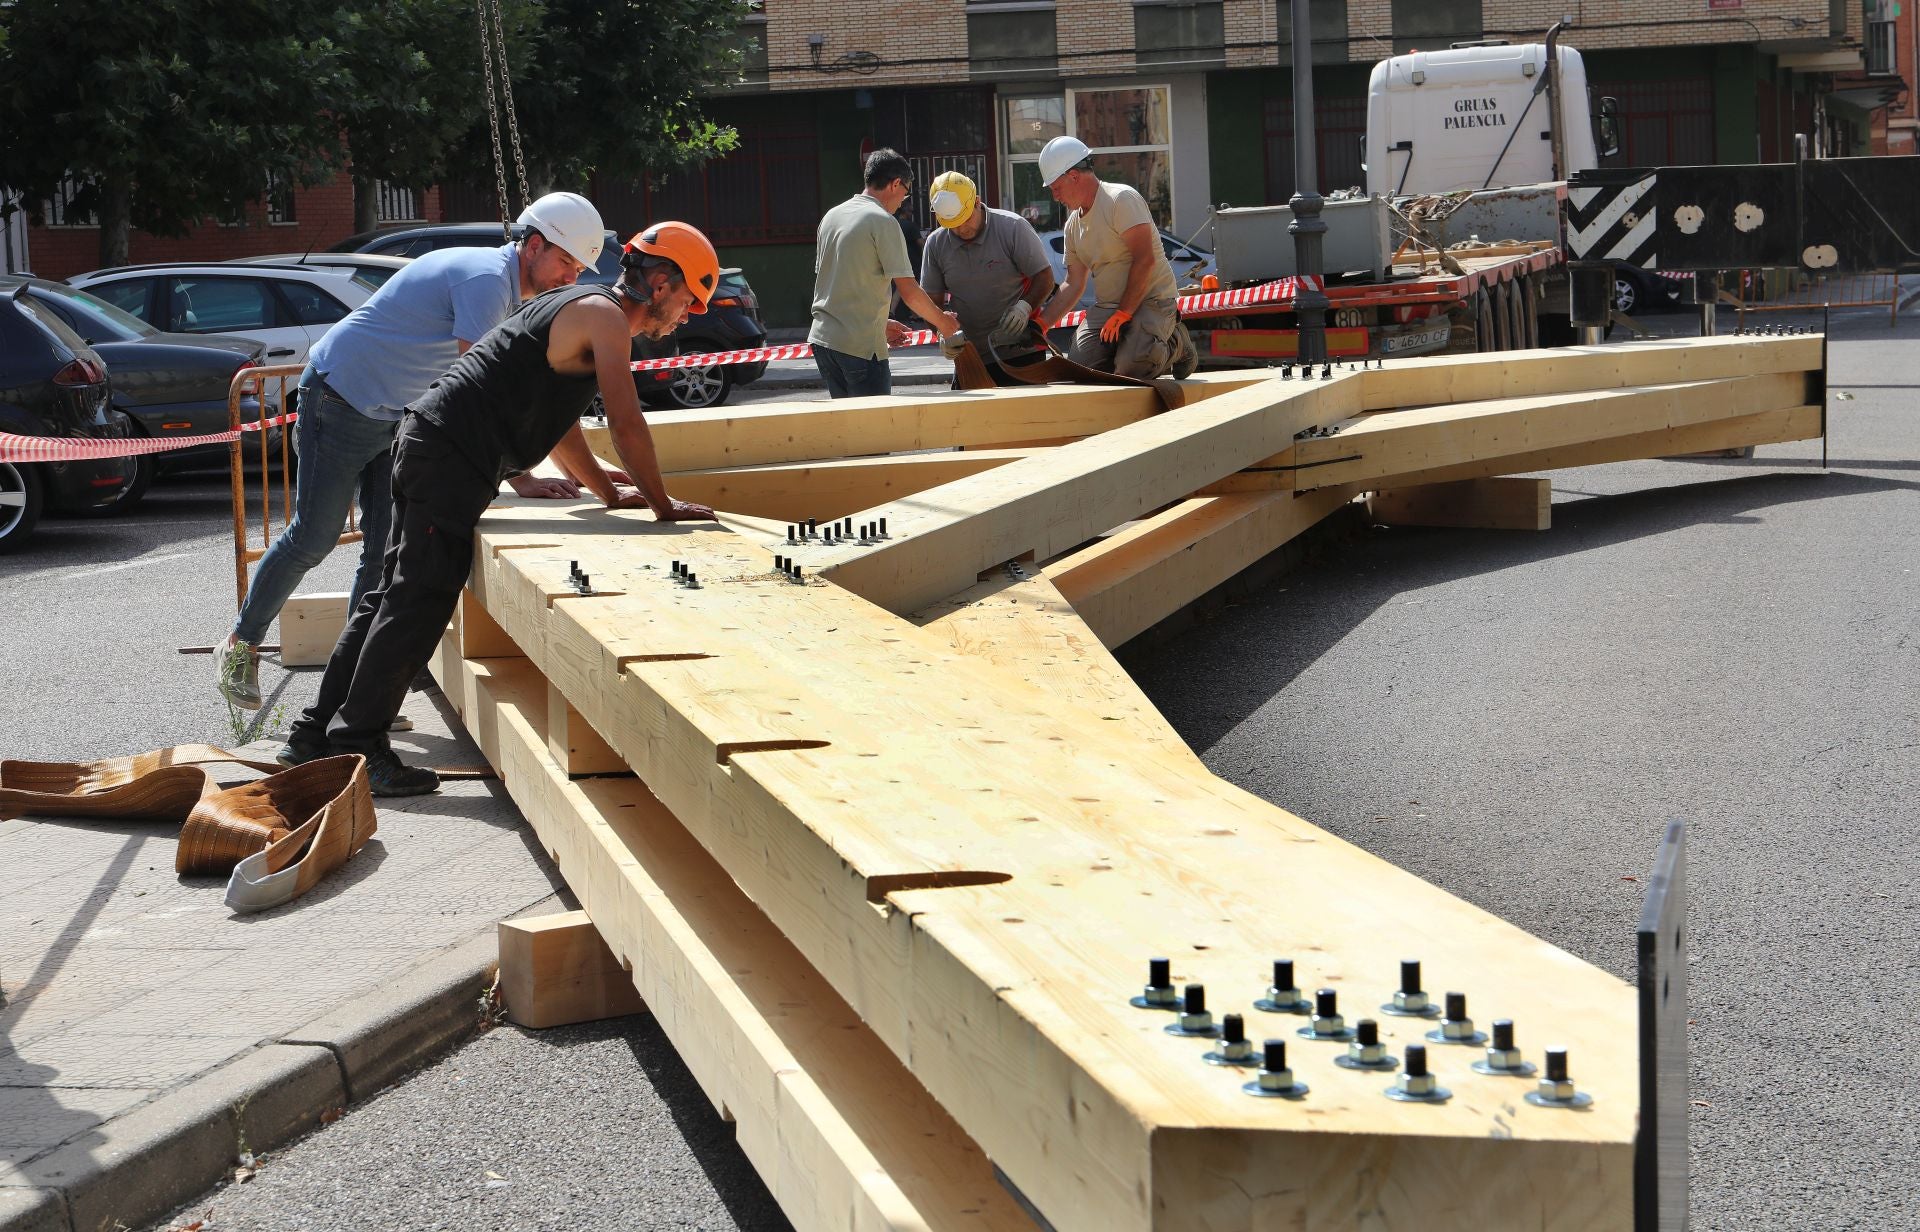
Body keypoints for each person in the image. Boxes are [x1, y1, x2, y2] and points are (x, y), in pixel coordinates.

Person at [275, 223, 722, 796]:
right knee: (416, 604)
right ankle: (360, 742)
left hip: (430, 445)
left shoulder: (575, 305)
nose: (687, 316)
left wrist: (611, 493)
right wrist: (664, 505)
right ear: (660, 284)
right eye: (688, 300)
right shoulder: (606, 318)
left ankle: (312, 734)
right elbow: (626, 422)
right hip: (449, 459)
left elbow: (558, 426)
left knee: (390, 596)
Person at [216, 191, 611, 714]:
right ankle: (240, 645)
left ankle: (351, 693)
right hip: (340, 399)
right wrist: (520, 478)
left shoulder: (522, 295)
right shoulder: (487, 282)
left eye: (580, 268)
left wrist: (525, 473)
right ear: (533, 245)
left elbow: (523, 395)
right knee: (314, 536)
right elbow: (485, 395)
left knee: (382, 555)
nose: (572, 278)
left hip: (397, 413)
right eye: (566, 262)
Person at [1033, 136, 1197, 381]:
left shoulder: (1120, 199)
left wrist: (1124, 312)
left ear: (1074, 176)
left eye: (1056, 188)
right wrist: (1040, 325)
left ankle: (1177, 343)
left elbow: (1145, 260)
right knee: (1081, 370)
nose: (1055, 196)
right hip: (1109, 308)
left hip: (1151, 301)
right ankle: (1131, 347)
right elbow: (1073, 284)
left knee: (1133, 368)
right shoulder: (1072, 227)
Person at [808, 148, 958, 398]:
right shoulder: (883, 221)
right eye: (905, 193)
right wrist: (944, 323)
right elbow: (909, 292)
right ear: (896, 183)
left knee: (850, 430)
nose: (902, 202)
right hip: (859, 349)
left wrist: (878, 324)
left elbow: (840, 285)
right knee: (875, 432)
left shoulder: (832, 216)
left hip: (824, 341)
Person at [918, 170, 1056, 386]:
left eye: (965, 220)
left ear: (977, 202)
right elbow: (929, 301)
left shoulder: (1012, 228)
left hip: (1020, 354)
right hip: (971, 358)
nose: (961, 229)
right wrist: (941, 331)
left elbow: (1045, 277)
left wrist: (1024, 308)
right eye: (953, 225)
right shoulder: (936, 244)